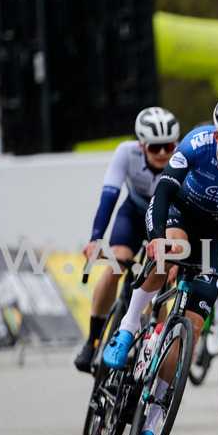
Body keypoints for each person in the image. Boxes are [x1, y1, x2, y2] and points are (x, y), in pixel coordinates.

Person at [101, 93, 218, 435]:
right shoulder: (196, 142)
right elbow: (162, 191)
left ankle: (152, 420)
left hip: (216, 230)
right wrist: (158, 237)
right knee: (171, 256)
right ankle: (129, 327)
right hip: (179, 213)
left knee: (192, 326)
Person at [74, 107, 179, 372]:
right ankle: (92, 340)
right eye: (155, 148)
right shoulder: (126, 152)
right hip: (132, 214)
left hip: (166, 218)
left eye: (168, 146)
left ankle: (148, 344)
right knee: (114, 268)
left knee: (163, 278)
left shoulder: (182, 157)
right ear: (141, 145)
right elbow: (109, 196)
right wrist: (96, 239)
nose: (164, 153)